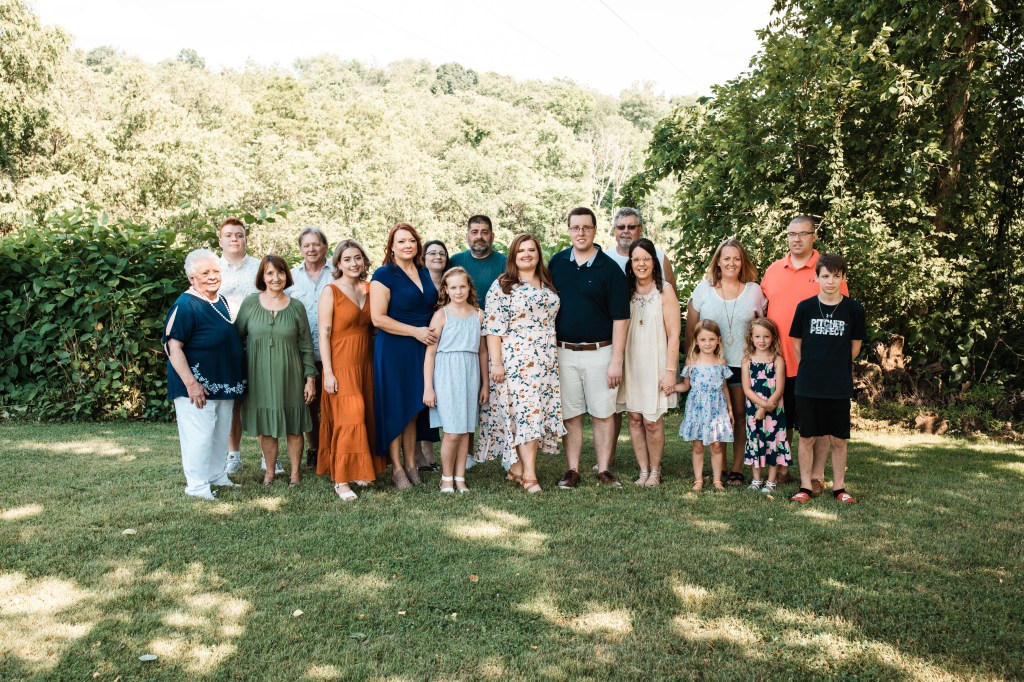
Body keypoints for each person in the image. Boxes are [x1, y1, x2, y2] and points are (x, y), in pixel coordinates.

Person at [760, 216, 849, 492]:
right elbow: (761, 312)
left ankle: (816, 476)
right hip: (778, 360)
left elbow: (842, 315)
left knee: (818, 426)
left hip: (816, 366)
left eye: (803, 234)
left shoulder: (827, 269)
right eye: (792, 234)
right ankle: (782, 468)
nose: (796, 239)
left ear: (814, 236)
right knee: (781, 418)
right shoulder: (773, 270)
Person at [476, 233, 564, 494]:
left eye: (531, 250)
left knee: (533, 413)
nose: (526, 254)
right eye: (521, 251)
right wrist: (496, 364)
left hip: (545, 361)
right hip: (517, 360)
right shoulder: (504, 285)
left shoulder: (547, 283)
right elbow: (493, 328)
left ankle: (515, 469)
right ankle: (529, 476)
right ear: (513, 256)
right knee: (527, 414)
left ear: (538, 254)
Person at [549, 207, 630, 489]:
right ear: (569, 231)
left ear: (595, 230)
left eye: (586, 227)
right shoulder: (557, 263)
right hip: (564, 351)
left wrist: (616, 360)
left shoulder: (610, 269)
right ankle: (572, 470)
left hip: (601, 352)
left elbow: (621, 318)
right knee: (570, 414)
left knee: (603, 413)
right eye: (575, 227)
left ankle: (604, 469)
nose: (581, 232)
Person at [163, 249, 246, 500]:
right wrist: (191, 384)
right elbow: (172, 346)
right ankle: (197, 486)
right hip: (198, 386)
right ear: (192, 278)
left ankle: (217, 476)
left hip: (222, 383)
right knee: (199, 437)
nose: (212, 276)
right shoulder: (185, 305)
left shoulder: (219, 300)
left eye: (216, 271)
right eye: (205, 273)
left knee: (220, 434)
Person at [685, 238, 765, 486]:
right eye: (726, 258)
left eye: (736, 258)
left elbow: (763, 328)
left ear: (743, 262)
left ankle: (737, 468)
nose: (731, 263)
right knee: (713, 417)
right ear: (718, 261)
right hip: (709, 365)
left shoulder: (754, 291)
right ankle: (717, 467)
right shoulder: (703, 289)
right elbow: (691, 331)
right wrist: (691, 362)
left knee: (738, 416)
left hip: (742, 365)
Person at [788, 253, 865, 504]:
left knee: (838, 439)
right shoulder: (805, 307)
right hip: (808, 383)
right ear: (817, 278)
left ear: (843, 278)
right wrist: (813, 367)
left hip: (838, 383)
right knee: (807, 437)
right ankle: (805, 487)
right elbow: (797, 345)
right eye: (825, 276)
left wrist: (834, 365)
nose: (830, 281)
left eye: (836, 276)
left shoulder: (854, 309)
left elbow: (854, 348)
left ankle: (839, 488)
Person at [235, 255, 317, 486]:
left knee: (294, 426)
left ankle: (295, 474)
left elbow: (306, 346)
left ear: (286, 276)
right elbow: (236, 338)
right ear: (262, 277)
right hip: (258, 376)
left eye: (280, 272)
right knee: (266, 428)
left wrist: (310, 379)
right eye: (269, 273)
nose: (275, 278)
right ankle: (269, 473)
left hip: (291, 376)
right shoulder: (250, 303)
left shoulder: (297, 307)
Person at [370, 223, 439, 489]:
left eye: (411, 240)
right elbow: (378, 318)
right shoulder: (384, 274)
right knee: (395, 408)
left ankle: (411, 464)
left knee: (412, 408)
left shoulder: (423, 271)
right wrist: (415, 332)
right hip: (394, 348)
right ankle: (397, 468)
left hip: (420, 348)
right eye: (401, 241)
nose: (407, 245)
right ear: (392, 247)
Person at [317, 239, 386, 501]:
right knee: (349, 419)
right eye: (347, 259)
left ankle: (359, 470)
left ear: (364, 261)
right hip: (341, 365)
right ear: (338, 263)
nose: (353, 263)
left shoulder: (369, 289)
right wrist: (328, 372)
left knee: (365, 416)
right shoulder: (331, 291)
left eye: (357, 258)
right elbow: (324, 335)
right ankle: (341, 480)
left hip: (366, 363)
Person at [615, 239, 679, 487]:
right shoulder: (624, 290)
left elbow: (674, 334)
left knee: (652, 420)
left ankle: (655, 470)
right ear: (630, 263)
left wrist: (670, 371)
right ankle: (643, 470)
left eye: (646, 259)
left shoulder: (665, 290)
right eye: (636, 259)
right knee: (634, 417)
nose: (641, 264)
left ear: (654, 262)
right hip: (631, 361)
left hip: (656, 361)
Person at [423, 267, 488, 494]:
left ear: (469, 287)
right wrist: (428, 387)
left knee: (464, 431)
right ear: (446, 290)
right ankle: (446, 478)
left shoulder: (479, 315)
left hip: (470, 373)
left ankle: (460, 478)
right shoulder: (441, 315)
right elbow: (430, 354)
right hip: (446, 374)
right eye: (453, 287)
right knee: (452, 432)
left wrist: (485, 384)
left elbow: (482, 352)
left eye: (462, 286)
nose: (458, 291)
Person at [216, 217, 267, 476]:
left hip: (259, 342)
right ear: (220, 240)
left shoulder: (260, 267)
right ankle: (233, 455)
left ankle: (268, 457)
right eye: (229, 235)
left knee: (262, 400)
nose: (235, 239)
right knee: (231, 401)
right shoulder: (212, 268)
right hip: (226, 344)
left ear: (246, 238)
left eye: (239, 234)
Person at [286, 227, 333, 471]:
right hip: (303, 353)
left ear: (325, 246)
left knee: (334, 404)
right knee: (310, 404)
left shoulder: (337, 272)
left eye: (316, 244)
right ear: (300, 248)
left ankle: (334, 450)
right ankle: (314, 450)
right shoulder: (291, 277)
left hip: (334, 351)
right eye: (306, 245)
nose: (311, 249)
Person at [675, 320, 734, 492]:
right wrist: (672, 388)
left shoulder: (721, 362)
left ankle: (717, 480)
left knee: (716, 445)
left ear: (718, 340)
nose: (707, 343)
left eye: (711, 339)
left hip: (717, 408)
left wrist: (730, 408)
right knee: (698, 445)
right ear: (696, 341)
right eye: (703, 339)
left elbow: (724, 387)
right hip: (697, 408)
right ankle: (698, 480)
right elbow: (685, 386)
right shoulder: (692, 361)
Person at [741, 317, 791, 495]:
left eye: (766, 336)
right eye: (757, 336)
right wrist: (762, 406)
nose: (761, 341)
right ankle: (756, 479)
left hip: (774, 409)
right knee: (755, 440)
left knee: (772, 442)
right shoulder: (747, 360)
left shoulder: (777, 360)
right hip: (754, 409)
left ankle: (771, 481)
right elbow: (747, 388)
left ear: (773, 338)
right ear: (751, 337)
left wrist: (766, 407)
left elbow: (780, 388)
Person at [415, 239, 449, 472]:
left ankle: (429, 449)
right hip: (419, 344)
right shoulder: (417, 281)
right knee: (421, 397)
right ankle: (420, 453)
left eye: (442, 253)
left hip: (445, 349)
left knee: (435, 399)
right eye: (432, 253)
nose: (437, 257)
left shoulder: (449, 283)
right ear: (423, 258)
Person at [449, 215, 507, 308]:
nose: (479, 236)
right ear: (467, 237)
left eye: (485, 232)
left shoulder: (505, 262)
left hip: (495, 316)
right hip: (461, 316)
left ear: (492, 236)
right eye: (474, 232)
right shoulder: (455, 261)